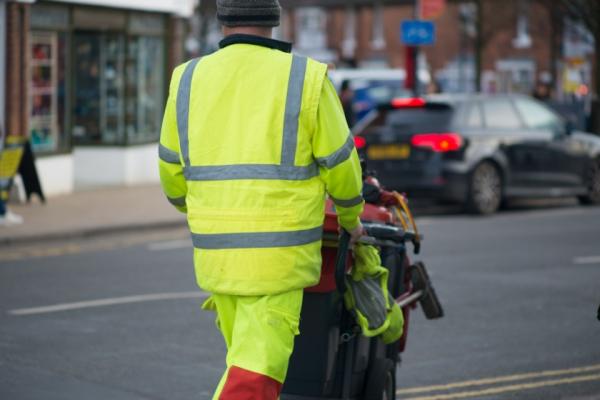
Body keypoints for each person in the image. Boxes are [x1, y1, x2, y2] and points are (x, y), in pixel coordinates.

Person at [157, 1, 365, 398]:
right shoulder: (305, 78)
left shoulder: (186, 79)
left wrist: (202, 209)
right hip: (278, 259)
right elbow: (342, 166)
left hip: (217, 256)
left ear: (222, 19)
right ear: (275, 18)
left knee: (244, 364)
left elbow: (171, 172)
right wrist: (352, 218)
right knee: (255, 378)